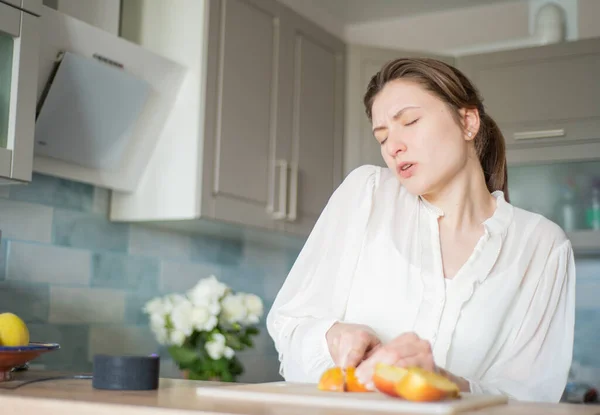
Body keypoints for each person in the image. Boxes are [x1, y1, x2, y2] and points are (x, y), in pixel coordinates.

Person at [266, 58, 575, 403]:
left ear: (467, 121)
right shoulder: (366, 193)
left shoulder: (542, 246)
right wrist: (332, 335)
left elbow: (533, 399)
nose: (392, 147)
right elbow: (289, 327)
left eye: (409, 122)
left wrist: (443, 381)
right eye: (382, 138)